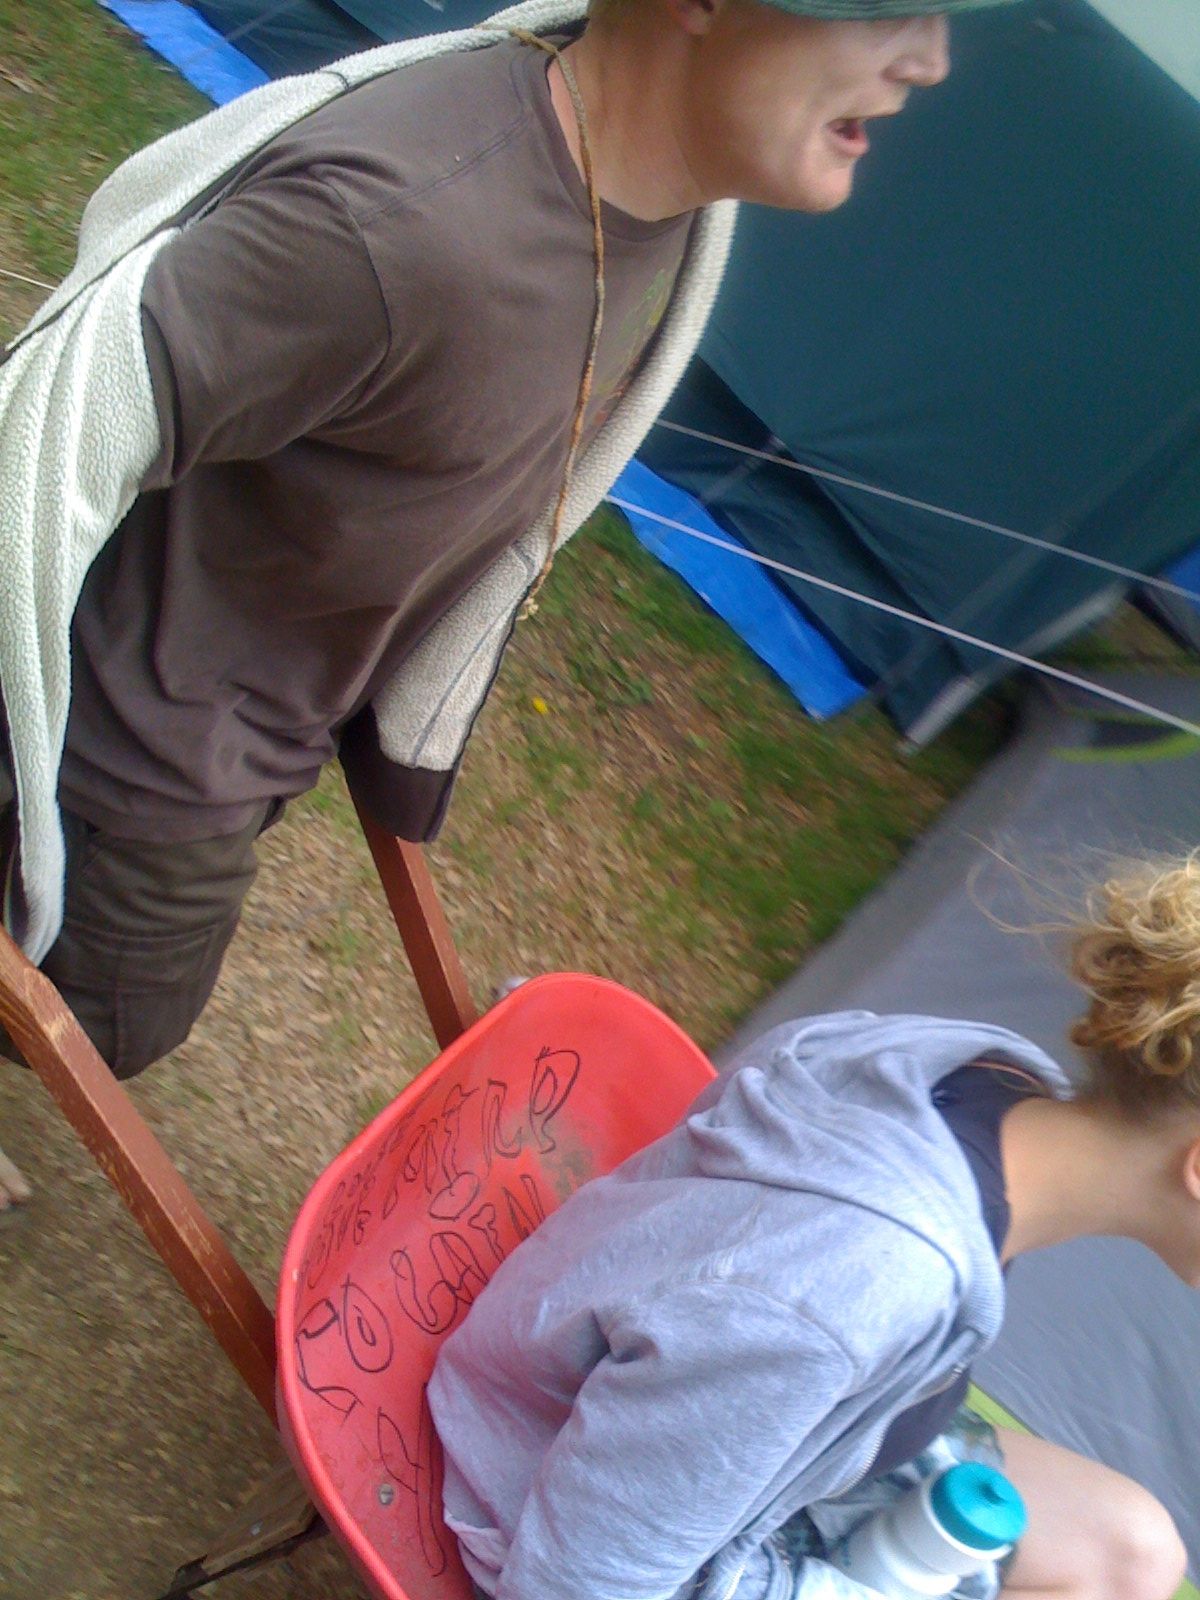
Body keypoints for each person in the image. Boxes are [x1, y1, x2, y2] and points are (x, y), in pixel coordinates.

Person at [0, 0, 969, 1213]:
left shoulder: (664, 210)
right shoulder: (395, 227)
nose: (930, 59)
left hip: (256, 711)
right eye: (889, 8)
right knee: (111, 1021)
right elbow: (42, 439)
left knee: (115, 1019)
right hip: (120, 745)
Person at [428, 853, 1199, 1600]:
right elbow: (580, 1583)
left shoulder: (986, 1079)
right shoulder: (859, 1283)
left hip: (762, 1461)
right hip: (549, 1514)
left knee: (1132, 1552)